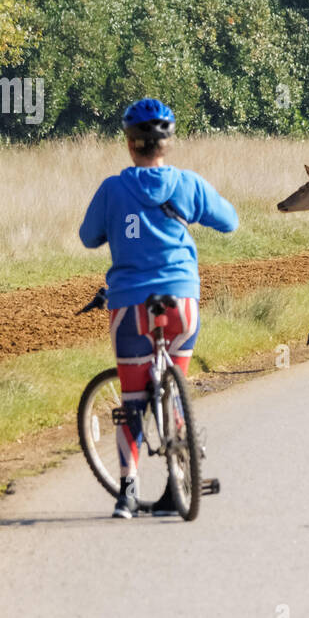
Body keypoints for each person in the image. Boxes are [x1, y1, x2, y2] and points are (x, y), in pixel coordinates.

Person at [78, 98, 238, 519]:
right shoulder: (188, 184)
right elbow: (230, 221)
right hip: (182, 304)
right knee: (175, 383)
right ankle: (178, 480)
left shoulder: (113, 189)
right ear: (166, 143)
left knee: (133, 400)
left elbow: (87, 236)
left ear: (130, 144)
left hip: (131, 305)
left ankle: (128, 491)